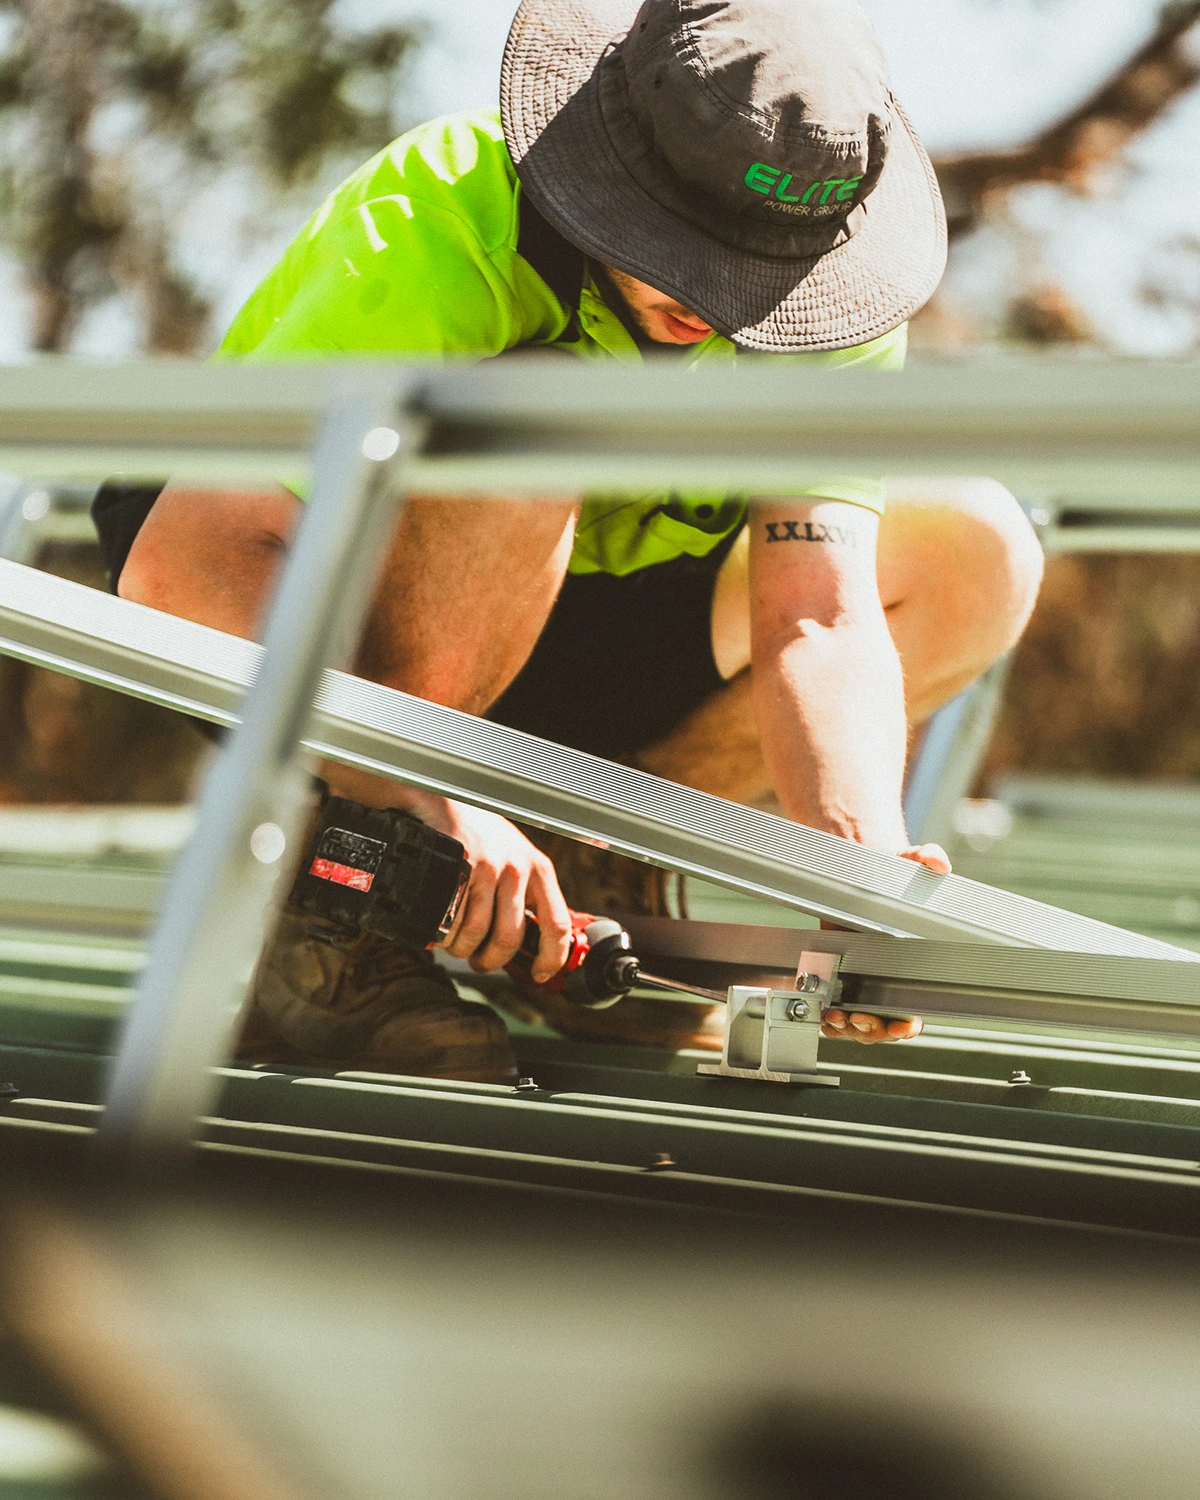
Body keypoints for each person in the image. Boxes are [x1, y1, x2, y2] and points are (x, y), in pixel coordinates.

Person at [94, 0, 1044, 1082]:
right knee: (535, 413)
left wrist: (856, 852)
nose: (714, 302)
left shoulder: (830, 295)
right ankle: (345, 913)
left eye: (754, 271)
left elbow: (820, 612)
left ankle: (589, 861)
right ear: (615, 161)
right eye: (686, 249)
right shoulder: (443, 212)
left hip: (589, 628)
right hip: (305, 624)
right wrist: (419, 790)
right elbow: (186, 570)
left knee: (976, 547)